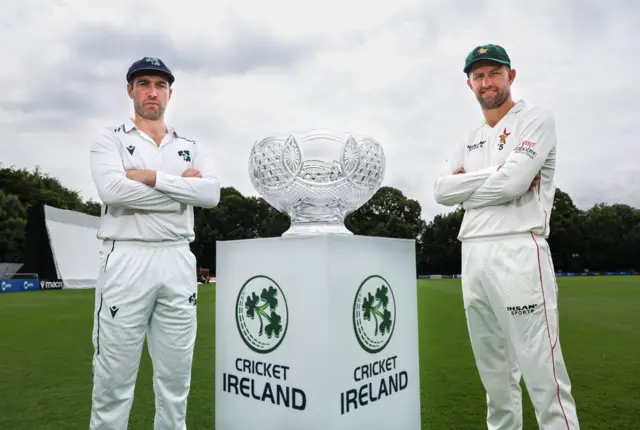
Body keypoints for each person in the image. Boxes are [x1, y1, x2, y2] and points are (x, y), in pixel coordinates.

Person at [433, 44, 580, 429]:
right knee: (495, 379)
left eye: (494, 73)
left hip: (519, 249)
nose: (487, 82)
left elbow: (514, 185)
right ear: (469, 84)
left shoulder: (536, 119)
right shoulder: (468, 136)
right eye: (478, 75)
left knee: (543, 377)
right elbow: (441, 192)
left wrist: (470, 187)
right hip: (474, 255)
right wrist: (501, 173)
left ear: (510, 76)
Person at [88, 56, 220, 429]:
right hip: (127, 256)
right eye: (143, 83)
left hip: (178, 257)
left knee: (176, 382)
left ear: (170, 93)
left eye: (159, 85)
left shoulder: (191, 145)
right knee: (113, 382)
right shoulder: (109, 139)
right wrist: (183, 190)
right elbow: (113, 191)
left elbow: (210, 194)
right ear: (130, 90)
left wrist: (147, 177)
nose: (152, 92)